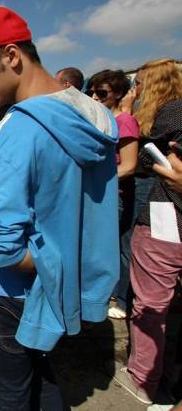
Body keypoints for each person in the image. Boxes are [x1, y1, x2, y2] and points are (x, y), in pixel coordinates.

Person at [0, 7, 119, 410]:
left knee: (10, 392)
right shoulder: (95, 113)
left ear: (11, 56)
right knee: (38, 377)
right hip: (56, 289)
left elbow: (0, 240)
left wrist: (49, 266)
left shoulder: (19, 127)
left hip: (6, 290)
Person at [109, 59, 182, 405]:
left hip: (165, 221)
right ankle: (166, 373)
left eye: (138, 84)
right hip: (167, 221)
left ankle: (143, 378)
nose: (134, 90)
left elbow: (136, 162)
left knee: (151, 305)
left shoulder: (169, 117)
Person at [86, 69, 139, 320]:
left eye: (102, 92)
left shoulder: (124, 122)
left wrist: (98, 180)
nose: (95, 97)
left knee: (112, 248)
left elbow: (128, 165)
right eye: (92, 91)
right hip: (101, 193)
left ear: (118, 93)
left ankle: (119, 299)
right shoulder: (102, 118)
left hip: (113, 195)